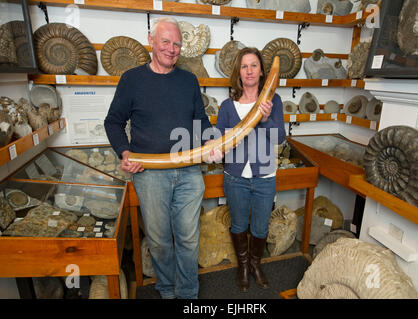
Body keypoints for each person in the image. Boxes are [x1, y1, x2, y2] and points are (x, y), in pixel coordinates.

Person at [104, 17, 217, 299]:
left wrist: (210, 140)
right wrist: (125, 151)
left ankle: (188, 294)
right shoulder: (131, 80)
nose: (172, 48)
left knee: (189, 239)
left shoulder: (189, 81)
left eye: (177, 43)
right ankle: (167, 291)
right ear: (151, 40)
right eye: (166, 41)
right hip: (150, 174)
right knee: (159, 241)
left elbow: (200, 120)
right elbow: (113, 122)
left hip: (189, 171)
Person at [215, 47, 286, 292]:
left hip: (265, 176)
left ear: (262, 70)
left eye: (253, 65)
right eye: (244, 66)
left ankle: (256, 264)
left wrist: (266, 120)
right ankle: (243, 266)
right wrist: (213, 148)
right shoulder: (226, 106)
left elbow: (280, 138)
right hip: (235, 178)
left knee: (260, 227)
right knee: (238, 225)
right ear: (238, 72)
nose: (249, 71)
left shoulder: (273, 101)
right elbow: (219, 142)